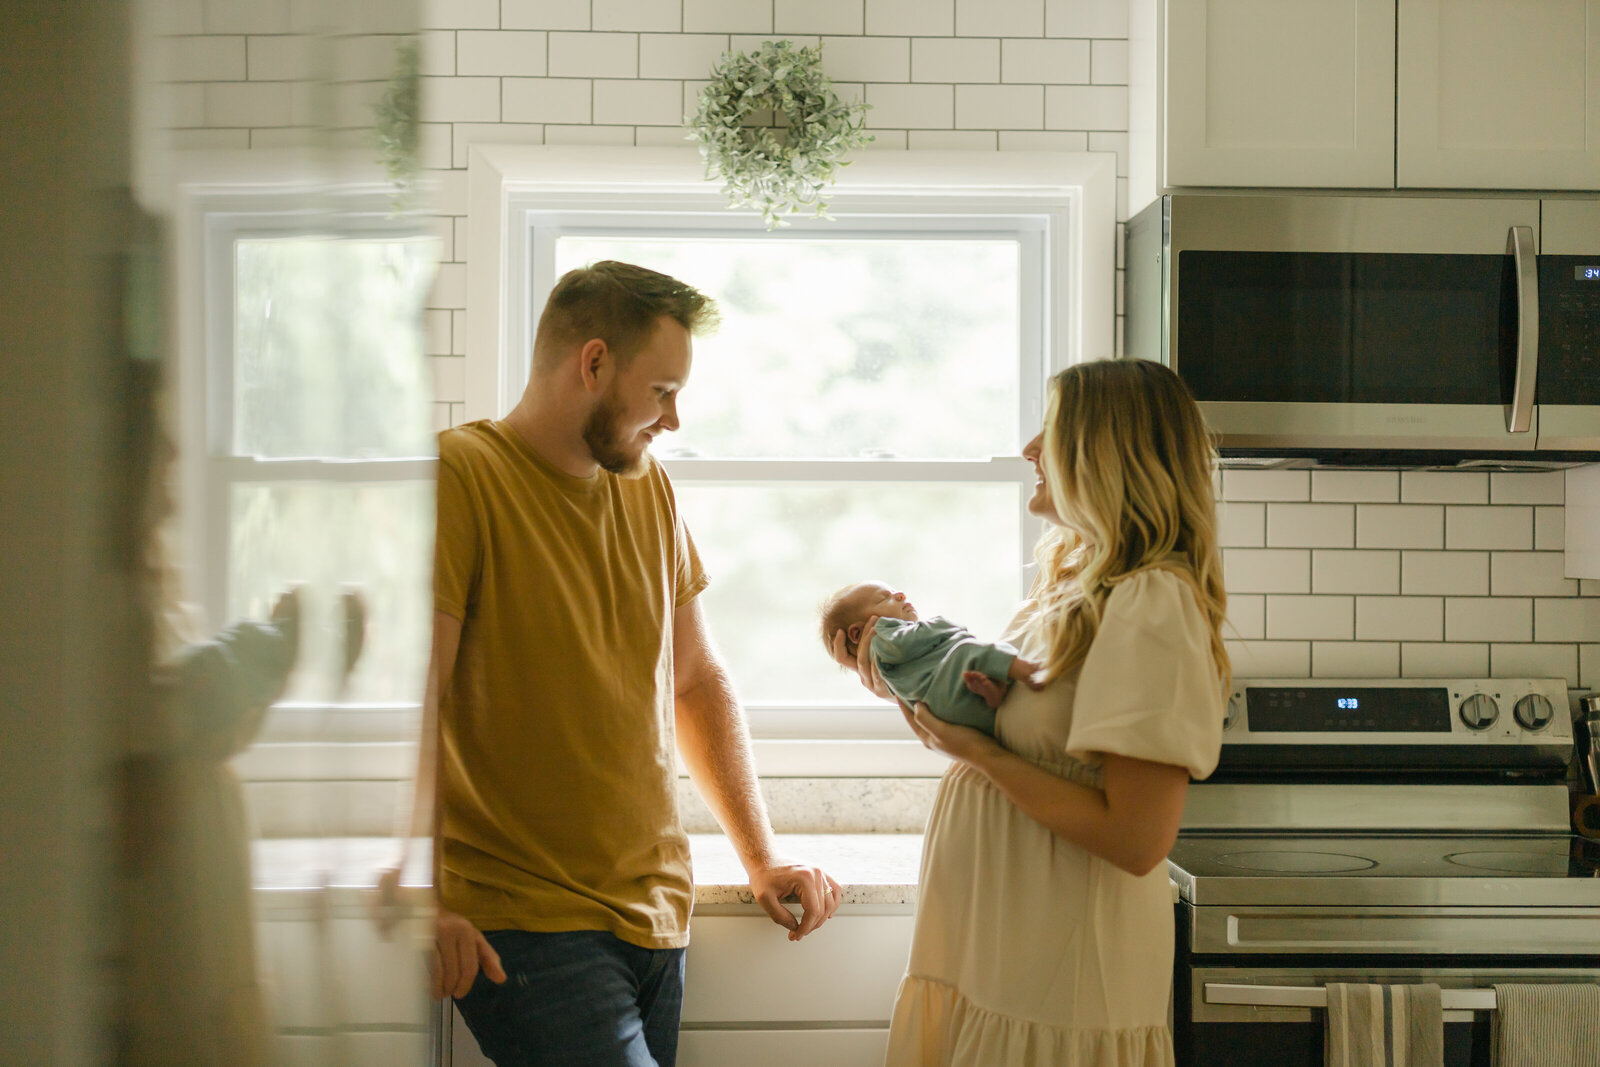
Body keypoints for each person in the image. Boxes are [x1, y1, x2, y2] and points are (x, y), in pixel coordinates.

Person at [384, 261, 841, 1067]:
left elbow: (696, 680)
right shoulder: (462, 475)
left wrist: (761, 855)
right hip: (525, 922)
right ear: (592, 363)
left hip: (656, 913)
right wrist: (429, 891)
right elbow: (417, 693)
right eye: (662, 390)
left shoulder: (648, 488)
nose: (672, 418)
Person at [833, 358, 1229, 1067]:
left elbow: (1138, 838)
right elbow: (1031, 737)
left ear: (1105, 454)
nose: (1027, 450)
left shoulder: (1152, 604)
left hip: (1067, 970)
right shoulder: (1073, 582)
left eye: (1052, 430)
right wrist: (922, 690)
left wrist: (979, 753)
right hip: (1004, 954)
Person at [819, 580, 1041, 735]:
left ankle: (991, 693)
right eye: (884, 598)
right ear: (857, 633)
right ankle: (1025, 670)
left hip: (944, 709)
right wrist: (939, 624)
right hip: (945, 688)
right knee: (966, 651)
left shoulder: (885, 670)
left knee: (969, 668)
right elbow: (906, 642)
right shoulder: (880, 636)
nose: (901, 595)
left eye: (896, 592)